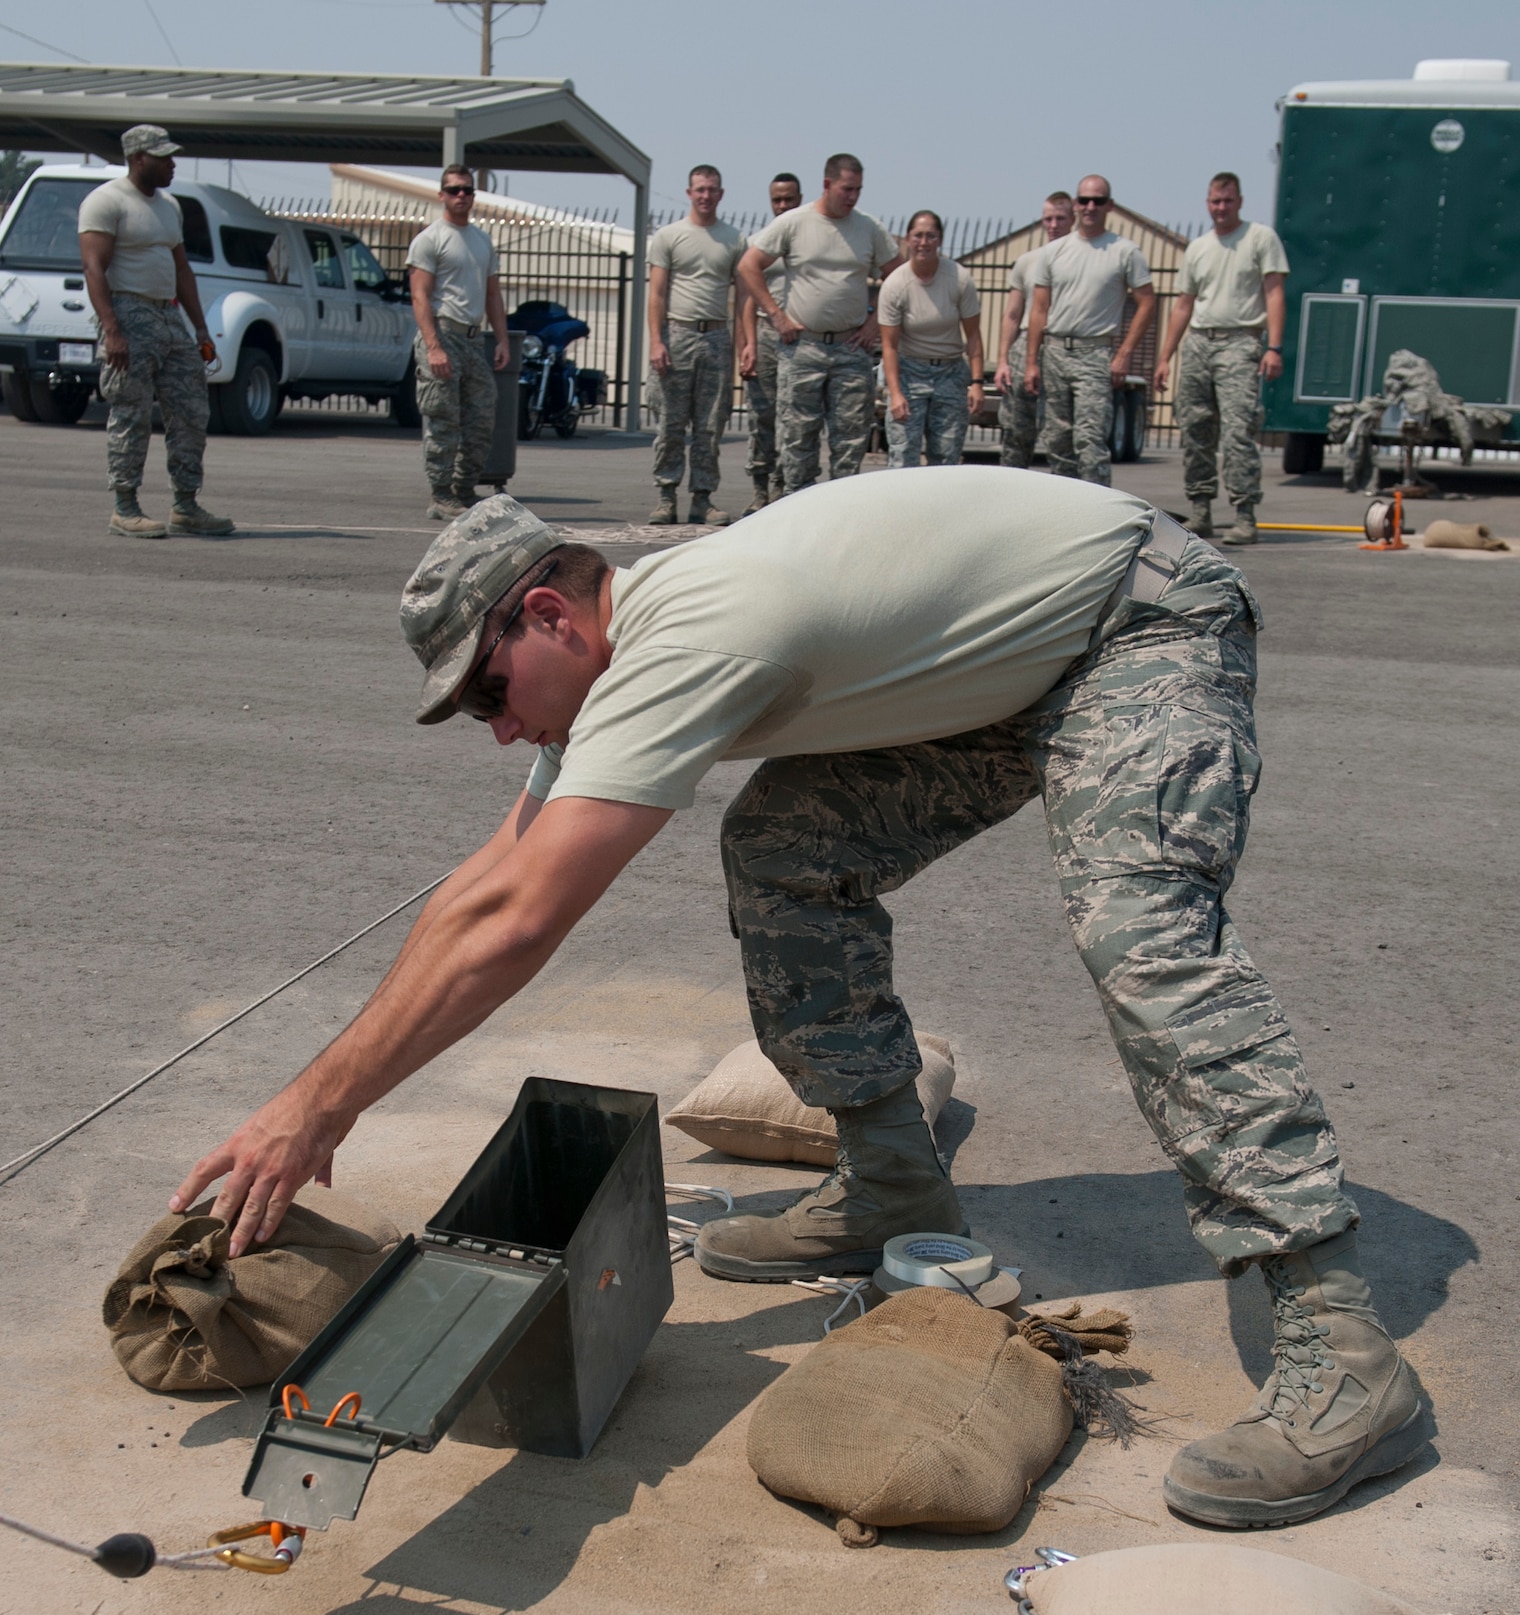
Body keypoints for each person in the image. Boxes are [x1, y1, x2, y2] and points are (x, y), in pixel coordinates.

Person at [173, 469, 1432, 1533]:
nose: (495, 733)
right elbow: (490, 878)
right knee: (783, 847)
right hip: (1014, 658)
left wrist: (315, 1108)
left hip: (1137, 621)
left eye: (487, 696)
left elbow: (518, 922)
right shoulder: (609, 653)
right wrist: (303, 1090)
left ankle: (1339, 1345)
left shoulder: (688, 632)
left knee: (1141, 928)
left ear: (549, 614)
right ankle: (890, 1181)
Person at [79, 124, 234, 538]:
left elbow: (181, 267)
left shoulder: (169, 206)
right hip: (128, 312)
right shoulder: (106, 202)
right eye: (162, 156)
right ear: (137, 159)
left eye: (171, 155)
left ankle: (186, 504)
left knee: (191, 408)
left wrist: (200, 327)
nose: (172, 164)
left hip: (168, 316)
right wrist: (112, 329)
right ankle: (124, 506)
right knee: (130, 411)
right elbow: (94, 268)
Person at [737, 154, 904, 493]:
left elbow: (899, 277)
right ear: (827, 185)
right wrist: (776, 315)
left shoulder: (868, 228)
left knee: (850, 441)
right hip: (804, 348)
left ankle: (842, 515)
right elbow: (749, 265)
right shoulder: (794, 223)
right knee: (797, 441)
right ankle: (798, 511)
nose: (853, 196)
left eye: (858, 189)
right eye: (846, 189)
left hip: (850, 349)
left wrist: (874, 322)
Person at [1154, 172, 1290, 546]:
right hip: (1199, 343)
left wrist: (1274, 348)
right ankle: (1201, 510)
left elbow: (1275, 293)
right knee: (1195, 429)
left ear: (1240, 202)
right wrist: (1165, 358)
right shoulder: (1197, 248)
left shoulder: (1260, 239)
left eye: (1227, 201)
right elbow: (1183, 305)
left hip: (1240, 342)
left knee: (1236, 432)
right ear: (1207, 203)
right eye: (1215, 201)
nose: (1221, 208)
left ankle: (1245, 513)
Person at [1023, 175, 1156, 485]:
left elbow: (1147, 303)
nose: (1090, 206)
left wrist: (1124, 354)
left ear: (1110, 205)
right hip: (1055, 351)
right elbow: (1039, 309)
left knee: (1089, 440)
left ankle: (1101, 515)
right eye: (1084, 200)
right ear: (1075, 204)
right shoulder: (1054, 251)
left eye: (1098, 200)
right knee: (1057, 441)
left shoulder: (1124, 252)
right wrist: (1031, 362)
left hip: (1094, 353)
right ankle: (1066, 514)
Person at [646, 165, 748, 527]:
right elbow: (656, 293)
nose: (706, 196)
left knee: (710, 425)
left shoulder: (734, 239)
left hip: (716, 338)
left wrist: (743, 344)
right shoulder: (669, 236)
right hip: (678, 335)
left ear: (721, 194)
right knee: (671, 424)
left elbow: (743, 297)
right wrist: (657, 341)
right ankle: (665, 496)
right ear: (689, 192)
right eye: (700, 189)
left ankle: (703, 498)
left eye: (712, 190)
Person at [408, 165, 511, 521]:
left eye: (467, 190)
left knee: (482, 417)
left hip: (472, 338)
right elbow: (420, 297)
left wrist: (501, 340)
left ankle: (464, 489)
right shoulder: (430, 239)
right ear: (442, 195)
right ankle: (441, 494)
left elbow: (493, 295)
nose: (461, 196)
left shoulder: (482, 240)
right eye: (454, 190)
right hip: (443, 333)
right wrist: (433, 346)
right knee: (443, 419)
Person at [877, 211, 983, 468]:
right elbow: (889, 346)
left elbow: (973, 336)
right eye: (918, 236)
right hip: (909, 373)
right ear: (908, 239)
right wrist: (895, 393)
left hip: (949, 372)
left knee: (945, 458)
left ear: (940, 240)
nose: (924, 242)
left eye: (930, 236)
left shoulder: (958, 279)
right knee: (903, 456)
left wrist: (977, 383)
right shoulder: (895, 285)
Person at [992, 192, 1074, 468]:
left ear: (1072, 219)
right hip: (1025, 343)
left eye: (1060, 218)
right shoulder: (1027, 261)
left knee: (1060, 432)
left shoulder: (1079, 258)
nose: (1053, 225)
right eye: (1048, 219)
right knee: (1016, 429)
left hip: (1059, 345)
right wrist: (1003, 360)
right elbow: (1013, 314)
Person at [737, 173, 803, 513]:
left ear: (800, 198)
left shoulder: (807, 237)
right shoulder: (760, 243)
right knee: (761, 417)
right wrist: (748, 345)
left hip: (800, 338)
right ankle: (760, 488)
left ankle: (783, 488)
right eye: (777, 200)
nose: (783, 206)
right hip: (765, 335)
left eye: (789, 199)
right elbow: (747, 301)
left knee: (792, 419)